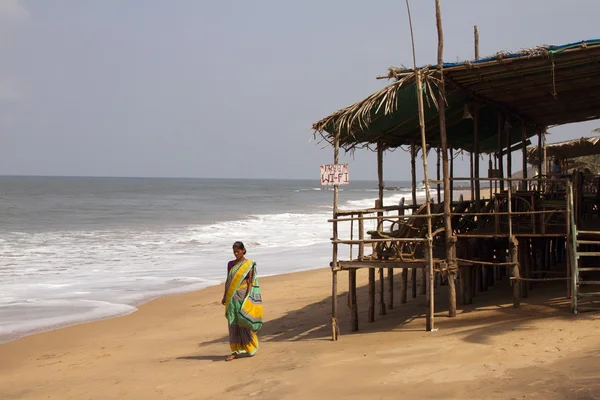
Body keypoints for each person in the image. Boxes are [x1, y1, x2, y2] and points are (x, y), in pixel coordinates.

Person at [221, 241, 261, 361]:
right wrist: (224, 295)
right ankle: (235, 351)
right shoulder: (230, 264)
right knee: (232, 323)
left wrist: (249, 297)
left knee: (243, 321)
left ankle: (250, 346)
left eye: (238, 251)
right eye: (234, 252)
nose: (236, 254)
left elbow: (250, 282)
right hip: (231, 297)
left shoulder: (248, 264)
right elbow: (228, 280)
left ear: (243, 250)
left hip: (242, 296)